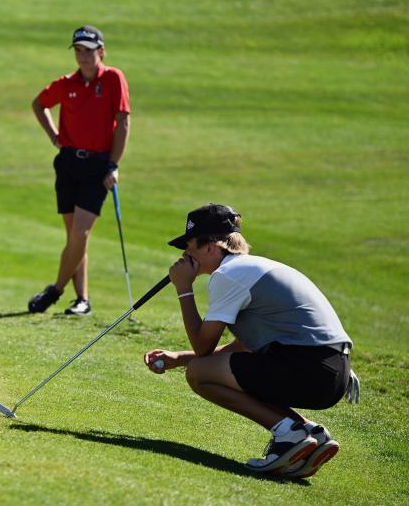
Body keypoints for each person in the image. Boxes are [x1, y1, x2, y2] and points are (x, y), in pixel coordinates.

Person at [144, 204, 359, 478]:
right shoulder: (248, 268)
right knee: (204, 366)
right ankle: (309, 433)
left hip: (310, 369)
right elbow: (241, 349)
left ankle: (288, 435)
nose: (185, 255)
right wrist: (179, 358)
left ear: (211, 247)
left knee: (199, 374)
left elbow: (203, 348)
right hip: (330, 372)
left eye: (189, 246)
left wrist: (184, 289)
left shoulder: (228, 275)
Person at [28, 25, 130, 315]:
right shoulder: (67, 83)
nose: (83, 56)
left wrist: (113, 164)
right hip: (69, 162)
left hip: (98, 166)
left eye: (88, 50)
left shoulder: (113, 78)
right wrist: (53, 135)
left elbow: (123, 122)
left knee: (81, 234)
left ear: (101, 51)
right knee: (74, 235)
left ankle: (55, 290)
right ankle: (82, 300)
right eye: (78, 51)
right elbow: (39, 104)